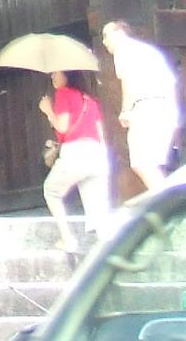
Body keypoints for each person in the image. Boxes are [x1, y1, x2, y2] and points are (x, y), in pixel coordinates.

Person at [99, 18, 182, 191]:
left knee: (142, 163)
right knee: (153, 164)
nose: (104, 41)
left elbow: (128, 80)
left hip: (146, 108)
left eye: (106, 35)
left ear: (119, 33)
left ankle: (165, 200)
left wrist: (126, 110)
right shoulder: (148, 51)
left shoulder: (124, 50)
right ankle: (167, 197)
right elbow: (171, 83)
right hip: (165, 107)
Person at [38, 67, 112, 256]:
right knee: (98, 210)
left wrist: (48, 111)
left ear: (67, 74)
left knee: (51, 190)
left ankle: (68, 239)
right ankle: (109, 250)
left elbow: (62, 127)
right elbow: (100, 133)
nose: (53, 75)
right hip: (97, 153)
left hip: (76, 152)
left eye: (56, 72)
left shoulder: (63, 94)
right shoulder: (90, 100)